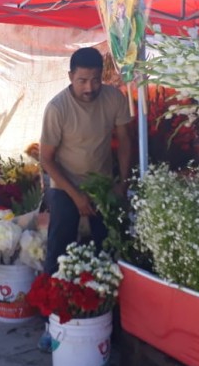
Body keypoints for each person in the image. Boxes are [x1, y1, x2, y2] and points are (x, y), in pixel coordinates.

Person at [38, 47, 132, 349]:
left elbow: (126, 141)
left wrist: (123, 183)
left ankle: (106, 314)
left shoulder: (114, 98)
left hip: (102, 184)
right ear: (70, 77)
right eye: (82, 81)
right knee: (61, 242)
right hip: (65, 184)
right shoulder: (57, 108)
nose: (89, 87)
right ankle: (51, 321)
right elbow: (47, 160)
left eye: (94, 80)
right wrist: (76, 197)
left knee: (107, 245)